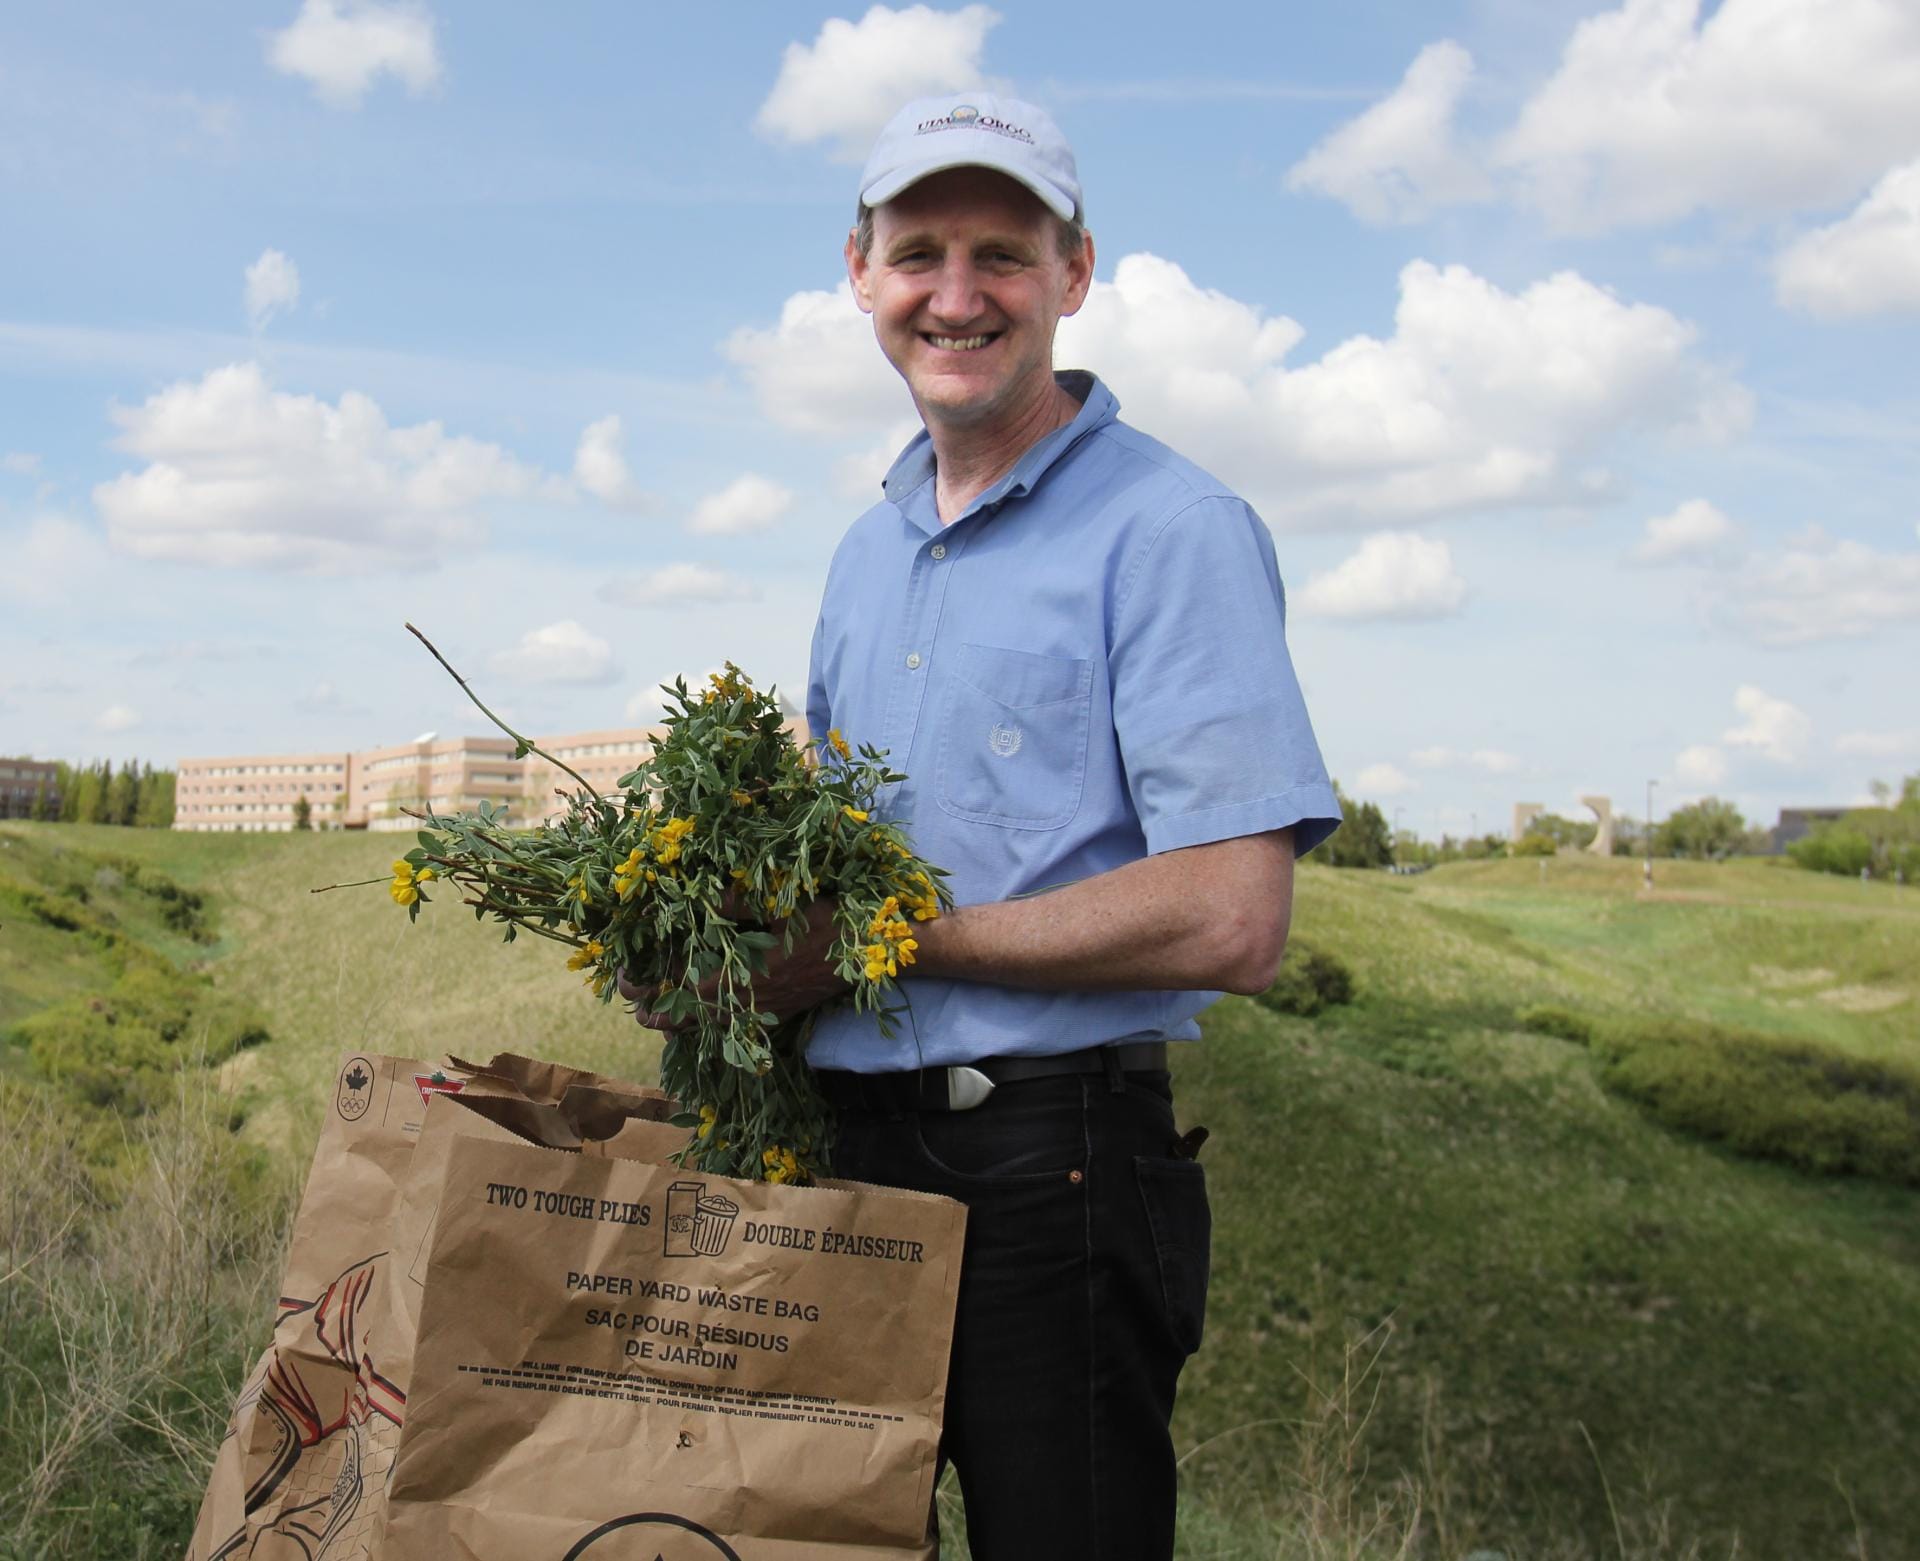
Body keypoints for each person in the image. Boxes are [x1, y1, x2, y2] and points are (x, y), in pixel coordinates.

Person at [630, 92, 1339, 1560]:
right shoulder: (865, 551)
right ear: (860, 272)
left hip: (1050, 1171)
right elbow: (826, 855)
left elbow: (1234, 916)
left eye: (1002, 254)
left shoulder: (1174, 530)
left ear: (1074, 273)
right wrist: (723, 964)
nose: (957, 295)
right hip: (833, 1157)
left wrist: (891, 943)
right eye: (920, 254)